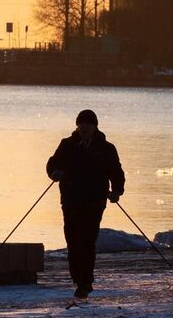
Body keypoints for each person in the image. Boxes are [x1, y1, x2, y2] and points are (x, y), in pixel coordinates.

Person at [45, 108, 125, 298]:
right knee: (72, 240)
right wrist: (54, 173)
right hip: (70, 199)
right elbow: (52, 163)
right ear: (77, 125)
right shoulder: (67, 145)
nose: (84, 127)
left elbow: (116, 172)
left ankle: (85, 282)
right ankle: (78, 279)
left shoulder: (106, 148)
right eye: (81, 124)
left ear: (95, 126)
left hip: (94, 201)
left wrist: (117, 191)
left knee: (87, 240)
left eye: (88, 124)